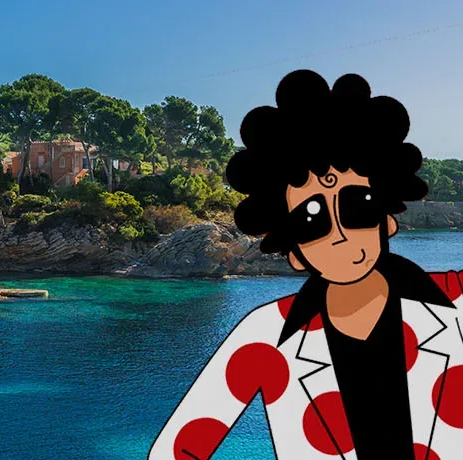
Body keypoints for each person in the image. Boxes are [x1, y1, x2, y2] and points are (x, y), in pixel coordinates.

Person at [150, 69, 463, 459]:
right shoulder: (264, 339)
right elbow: (177, 448)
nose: (341, 233)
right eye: (311, 221)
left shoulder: (456, 303)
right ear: (294, 252)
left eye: (358, 206)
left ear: (387, 220)